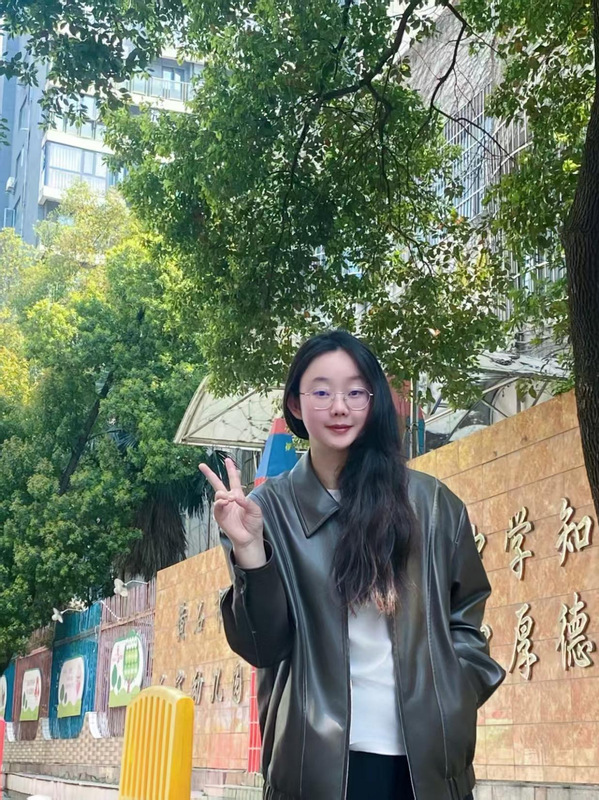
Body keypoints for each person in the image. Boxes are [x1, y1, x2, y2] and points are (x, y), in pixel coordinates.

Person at [199, 330, 505, 800]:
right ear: (296, 404)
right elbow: (263, 646)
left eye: (355, 392)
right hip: (314, 765)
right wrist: (250, 551)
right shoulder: (266, 510)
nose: (339, 407)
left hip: (427, 763)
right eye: (321, 392)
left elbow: (466, 615)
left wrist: (452, 695)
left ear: (373, 400)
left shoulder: (432, 505)